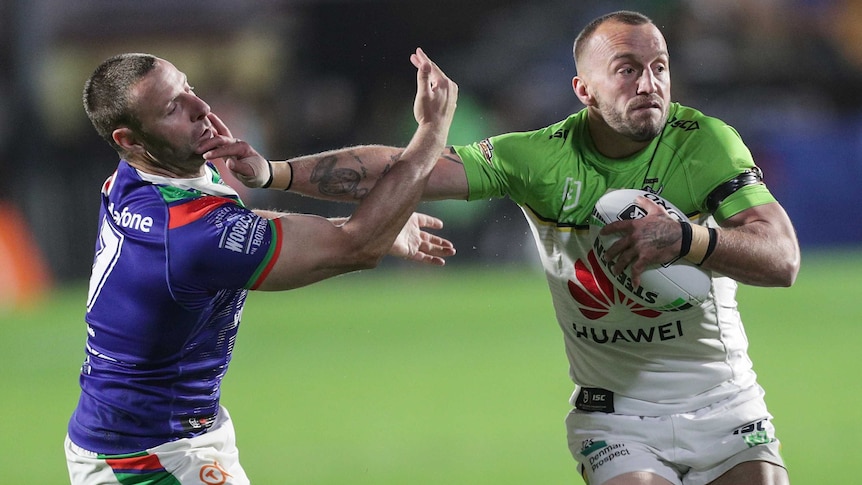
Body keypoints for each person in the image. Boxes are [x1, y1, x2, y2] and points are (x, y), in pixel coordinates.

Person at [227, 10, 801, 485]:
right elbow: (406, 170)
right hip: (618, 416)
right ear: (584, 89)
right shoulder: (540, 158)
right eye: (626, 70)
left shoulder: (706, 144)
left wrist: (687, 238)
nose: (649, 84)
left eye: (659, 68)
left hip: (726, 401)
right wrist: (272, 172)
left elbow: (782, 259)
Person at [64, 47, 457, 485]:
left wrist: (340, 217)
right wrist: (432, 131)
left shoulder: (144, 179)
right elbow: (355, 247)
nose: (201, 108)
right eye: (174, 107)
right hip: (147, 458)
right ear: (129, 140)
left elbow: (235, 230)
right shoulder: (182, 232)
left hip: (160, 436)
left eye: (188, 88)